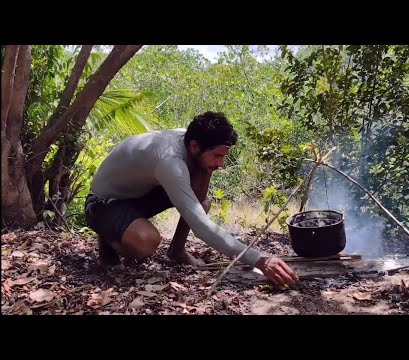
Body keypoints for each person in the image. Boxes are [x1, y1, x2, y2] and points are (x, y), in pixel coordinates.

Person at [84, 111, 299, 287]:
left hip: (137, 195)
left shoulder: (188, 142)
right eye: (218, 155)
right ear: (195, 146)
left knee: (202, 196)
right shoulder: (170, 162)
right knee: (146, 242)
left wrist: (209, 165)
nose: (222, 164)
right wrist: (259, 260)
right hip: (102, 203)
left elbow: (198, 201)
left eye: (224, 156)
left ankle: (176, 251)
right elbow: (201, 227)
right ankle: (108, 240)